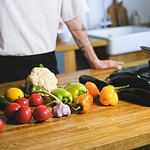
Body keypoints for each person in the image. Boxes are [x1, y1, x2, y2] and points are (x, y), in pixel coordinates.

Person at [0, 0, 124, 83]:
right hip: (36, 64)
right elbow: (74, 22)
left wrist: (95, 61)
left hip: (42, 67)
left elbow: (74, 21)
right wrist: (94, 61)